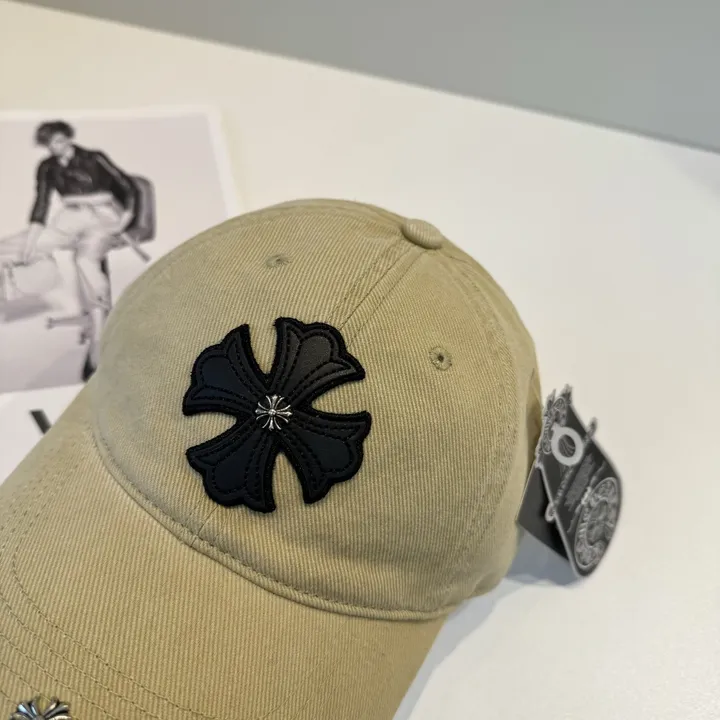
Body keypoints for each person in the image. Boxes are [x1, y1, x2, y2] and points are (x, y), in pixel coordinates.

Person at [0, 120, 139, 379]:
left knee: (85, 261)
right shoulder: (47, 166)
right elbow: (41, 202)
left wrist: (124, 221)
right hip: (71, 217)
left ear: (68, 137)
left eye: (59, 141)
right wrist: (32, 239)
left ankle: (99, 337)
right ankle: (30, 281)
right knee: (20, 246)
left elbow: (127, 187)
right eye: (50, 143)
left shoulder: (93, 158)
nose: (55, 147)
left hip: (104, 216)